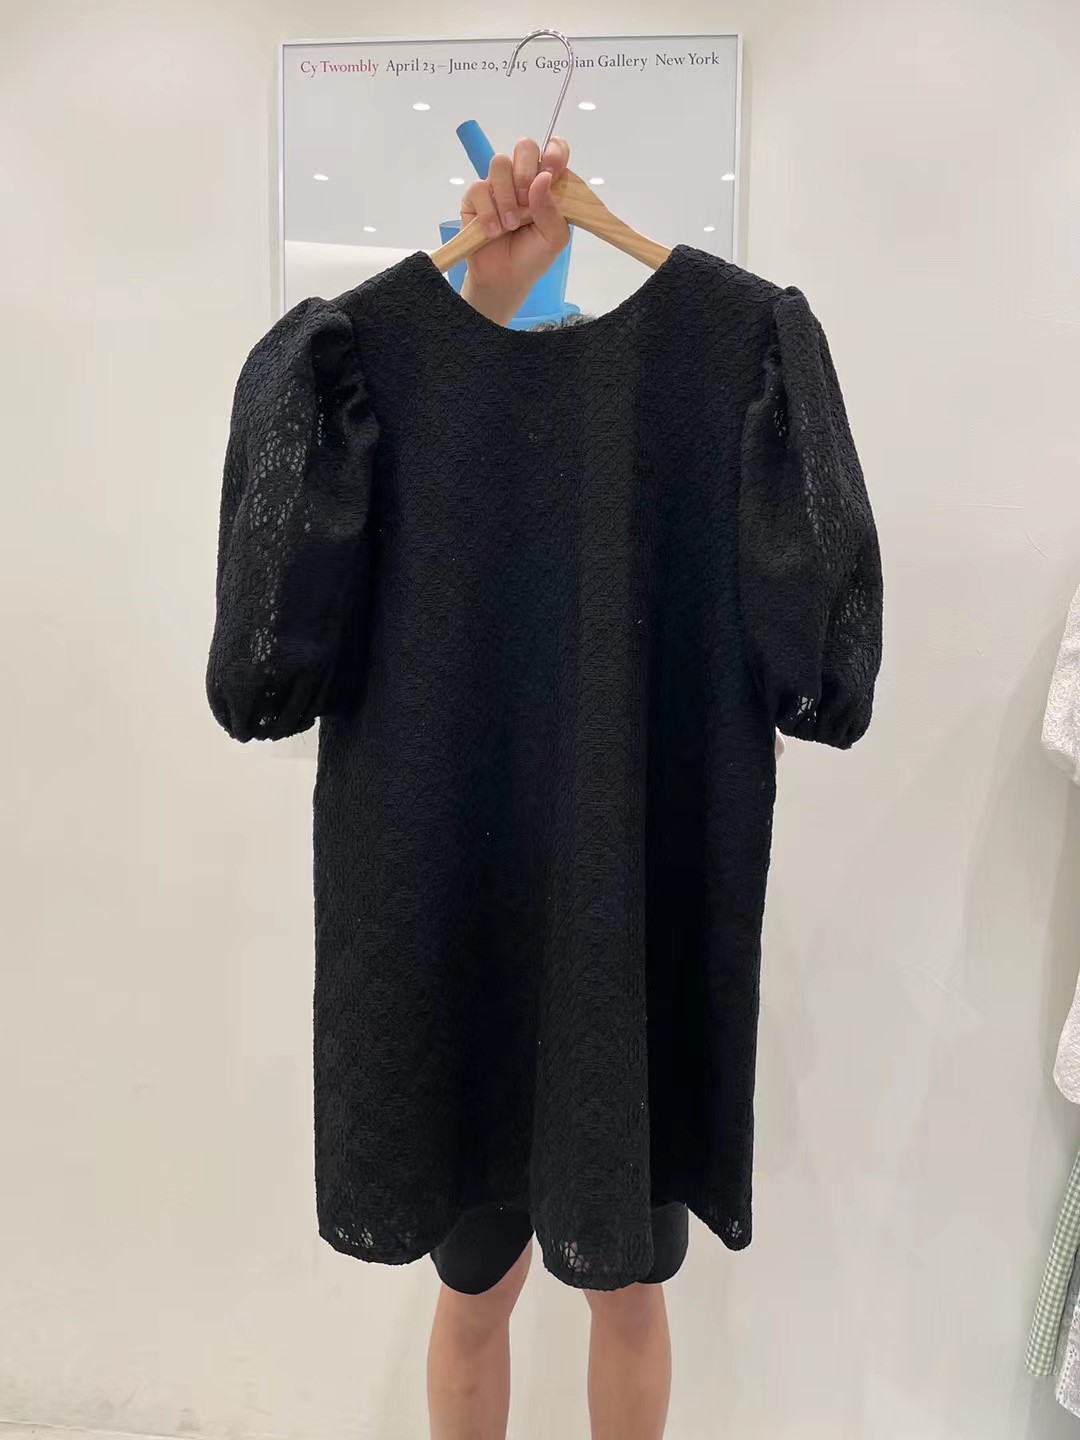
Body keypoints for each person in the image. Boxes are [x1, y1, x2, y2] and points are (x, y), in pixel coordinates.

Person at [424, 137, 676, 1440]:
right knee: (480, 1287)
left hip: (628, 937)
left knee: (622, 1287)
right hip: (479, 924)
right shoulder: (436, 447)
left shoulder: (686, 418)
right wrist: (486, 296)